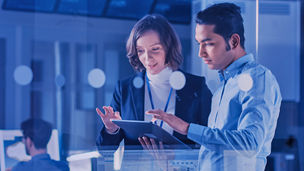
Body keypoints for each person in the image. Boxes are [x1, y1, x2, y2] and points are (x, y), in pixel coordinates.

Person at [146, 3, 282, 171]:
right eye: (199, 44)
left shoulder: (258, 78)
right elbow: (216, 158)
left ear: (233, 41)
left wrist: (186, 128)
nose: (200, 53)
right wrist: (171, 166)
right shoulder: (222, 89)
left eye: (208, 44)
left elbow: (249, 144)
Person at [96, 14, 212, 150]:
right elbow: (104, 150)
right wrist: (111, 129)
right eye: (140, 51)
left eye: (155, 49)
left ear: (168, 47)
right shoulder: (125, 89)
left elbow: (211, 140)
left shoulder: (196, 87)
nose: (147, 58)